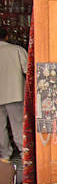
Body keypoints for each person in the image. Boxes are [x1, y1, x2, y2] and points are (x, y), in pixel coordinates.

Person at [0, 27, 27, 162]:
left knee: (0, 128)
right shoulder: (16, 50)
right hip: (15, 93)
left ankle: (5, 154)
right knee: (18, 125)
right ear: (6, 36)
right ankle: (23, 153)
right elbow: (28, 69)